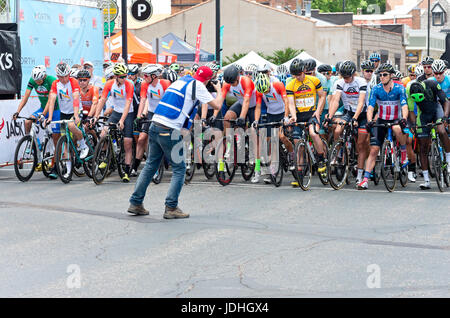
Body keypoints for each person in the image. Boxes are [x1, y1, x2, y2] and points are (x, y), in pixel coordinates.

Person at [127, 66, 225, 219]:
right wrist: (219, 90)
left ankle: (135, 203)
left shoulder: (182, 80)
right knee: (179, 168)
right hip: (169, 127)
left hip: (155, 124)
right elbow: (217, 105)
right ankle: (171, 207)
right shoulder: (198, 85)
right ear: (207, 80)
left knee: (150, 165)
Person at [358, 63, 409, 190]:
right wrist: (369, 121)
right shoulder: (376, 89)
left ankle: (403, 153)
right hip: (381, 119)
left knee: (397, 129)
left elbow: (404, 106)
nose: (382, 77)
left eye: (385, 75)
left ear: (391, 75)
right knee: (374, 150)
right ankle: (365, 180)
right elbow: (370, 107)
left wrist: (404, 118)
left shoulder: (399, 88)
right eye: (380, 75)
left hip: (396, 119)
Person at [325, 60, 369, 186]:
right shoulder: (339, 82)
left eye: (348, 77)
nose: (346, 80)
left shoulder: (361, 82)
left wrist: (355, 118)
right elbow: (335, 101)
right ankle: (338, 153)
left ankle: (360, 176)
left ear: (353, 74)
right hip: (349, 111)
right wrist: (330, 116)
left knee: (361, 144)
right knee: (338, 130)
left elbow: (361, 102)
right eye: (344, 77)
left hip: (362, 114)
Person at [285, 58, 327, 187]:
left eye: (299, 74)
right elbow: (291, 103)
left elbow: (322, 96)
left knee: (314, 134)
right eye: (294, 75)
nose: (297, 77)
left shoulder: (314, 80)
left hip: (311, 114)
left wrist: (318, 112)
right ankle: (300, 174)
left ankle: (321, 159)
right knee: (298, 145)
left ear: (304, 71)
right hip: (299, 115)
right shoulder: (290, 84)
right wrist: (293, 116)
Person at [13, 65, 60, 178]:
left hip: (55, 109)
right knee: (28, 122)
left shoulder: (51, 80)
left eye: (39, 80)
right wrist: (17, 111)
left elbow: (50, 101)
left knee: (55, 138)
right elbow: (26, 97)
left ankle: (55, 166)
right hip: (42, 108)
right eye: (36, 80)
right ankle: (32, 143)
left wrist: (43, 114)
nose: (37, 82)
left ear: (44, 76)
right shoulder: (33, 80)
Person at [45, 62, 89, 178]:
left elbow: (75, 99)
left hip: (76, 110)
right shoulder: (55, 84)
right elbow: (52, 100)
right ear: (58, 76)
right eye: (61, 77)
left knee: (71, 126)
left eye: (66, 76)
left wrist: (76, 115)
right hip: (64, 113)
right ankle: (68, 170)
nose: (64, 79)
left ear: (69, 74)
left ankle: (83, 145)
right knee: (65, 142)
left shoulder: (73, 82)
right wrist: (49, 118)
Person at [93, 63, 135, 183]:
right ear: (116, 76)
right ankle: (104, 157)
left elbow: (128, 104)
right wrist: (96, 116)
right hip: (116, 112)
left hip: (128, 114)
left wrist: (122, 121)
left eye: (125, 76)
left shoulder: (129, 84)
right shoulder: (109, 84)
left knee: (127, 142)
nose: (124, 78)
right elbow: (102, 100)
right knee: (103, 133)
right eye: (122, 76)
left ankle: (126, 170)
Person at [252, 72, 296, 184]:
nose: (265, 92)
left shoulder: (278, 85)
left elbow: (286, 101)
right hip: (271, 115)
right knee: (269, 142)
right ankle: (274, 170)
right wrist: (256, 121)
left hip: (282, 113)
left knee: (282, 137)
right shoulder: (259, 90)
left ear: (269, 84)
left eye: (266, 90)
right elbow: (257, 107)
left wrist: (286, 117)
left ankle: (291, 155)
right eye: (263, 92)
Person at [406, 80, 450, 189]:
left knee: (441, 130)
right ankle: (426, 180)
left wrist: (445, 116)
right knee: (423, 148)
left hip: (436, 110)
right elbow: (411, 112)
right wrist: (414, 125)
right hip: (423, 115)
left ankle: (448, 160)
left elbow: (446, 101)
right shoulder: (408, 90)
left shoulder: (432, 85)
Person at [133, 64, 171, 176]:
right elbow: (143, 101)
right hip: (151, 113)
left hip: (163, 113)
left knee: (164, 139)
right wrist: (139, 116)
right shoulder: (145, 85)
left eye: (146, 75)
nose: (144, 77)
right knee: (141, 139)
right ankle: (135, 167)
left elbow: (169, 101)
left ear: (154, 76)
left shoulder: (165, 83)